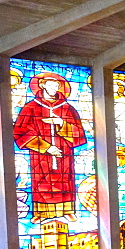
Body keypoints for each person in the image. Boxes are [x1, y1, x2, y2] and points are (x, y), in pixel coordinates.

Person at [12, 72, 87, 223]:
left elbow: (79, 134)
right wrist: (45, 147)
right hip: (41, 155)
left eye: (57, 85)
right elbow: (20, 132)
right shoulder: (30, 108)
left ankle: (68, 210)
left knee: (65, 181)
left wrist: (61, 123)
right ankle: (40, 212)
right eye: (50, 84)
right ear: (42, 85)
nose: (54, 88)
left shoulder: (68, 108)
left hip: (64, 153)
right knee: (41, 182)